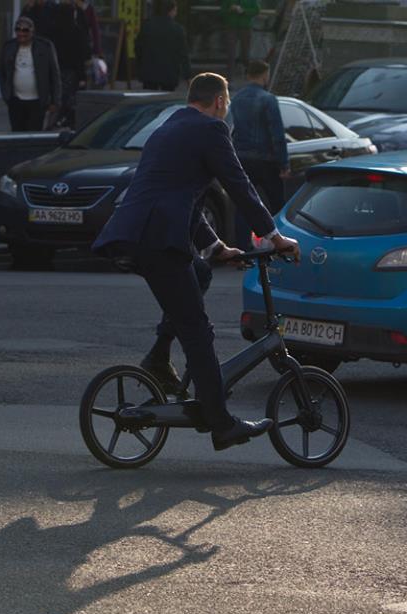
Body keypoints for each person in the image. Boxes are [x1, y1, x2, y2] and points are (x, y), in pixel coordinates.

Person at [91, 72, 301, 452]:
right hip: (158, 241)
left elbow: (184, 196)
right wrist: (274, 237)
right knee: (197, 330)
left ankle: (158, 357)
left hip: (140, 236)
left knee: (201, 273)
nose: (227, 113)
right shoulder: (211, 131)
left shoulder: (167, 128)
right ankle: (221, 423)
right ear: (220, 102)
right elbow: (239, 185)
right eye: (227, 106)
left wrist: (216, 248)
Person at [227, 59, 288, 250]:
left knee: (245, 203)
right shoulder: (268, 99)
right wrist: (283, 163)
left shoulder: (236, 99)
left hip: (243, 158)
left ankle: (243, 247)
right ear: (265, 75)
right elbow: (276, 134)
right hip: (266, 160)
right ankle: (281, 243)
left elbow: (231, 129)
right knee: (277, 203)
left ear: (248, 75)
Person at [0, 16, 61, 131]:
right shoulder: (8, 47)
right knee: (17, 133)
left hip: (37, 101)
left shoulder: (45, 46)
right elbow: (2, 73)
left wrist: (55, 101)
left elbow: (55, 75)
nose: (21, 33)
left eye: (25, 30)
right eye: (18, 29)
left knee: (33, 134)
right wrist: (6, 94)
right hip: (15, 101)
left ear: (32, 31)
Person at [50, 0, 91, 128]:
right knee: (70, 99)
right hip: (72, 72)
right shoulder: (76, 32)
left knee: (59, 97)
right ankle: (65, 119)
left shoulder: (53, 32)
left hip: (57, 71)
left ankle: (57, 119)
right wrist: (82, 76)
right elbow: (80, 56)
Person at [135, 0, 190, 91]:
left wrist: (141, 66)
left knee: (149, 99)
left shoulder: (147, 26)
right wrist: (188, 76)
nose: (175, 13)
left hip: (149, 72)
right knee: (167, 100)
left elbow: (138, 48)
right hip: (169, 73)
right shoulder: (177, 29)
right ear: (171, 11)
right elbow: (183, 54)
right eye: (175, 10)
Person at [221, 0, 259, 81]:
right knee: (231, 54)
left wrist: (243, 11)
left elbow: (256, 10)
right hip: (231, 27)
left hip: (245, 28)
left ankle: (249, 75)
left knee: (245, 53)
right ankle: (228, 79)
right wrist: (230, 10)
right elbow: (222, 12)